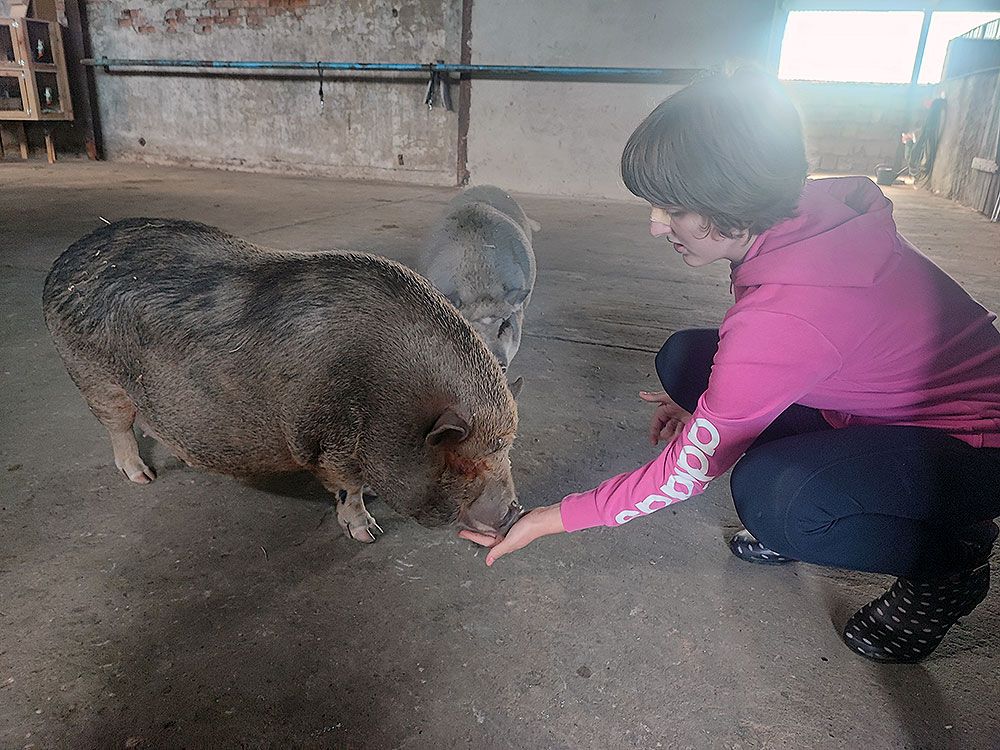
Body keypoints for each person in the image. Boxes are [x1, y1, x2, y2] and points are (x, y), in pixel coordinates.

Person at [459, 67, 1000, 663]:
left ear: (734, 207)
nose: (655, 225)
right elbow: (774, 349)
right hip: (877, 399)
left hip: (969, 444)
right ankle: (840, 480)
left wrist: (552, 519)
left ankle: (951, 564)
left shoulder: (794, 311)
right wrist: (721, 405)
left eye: (672, 210)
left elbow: (685, 473)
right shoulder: (795, 211)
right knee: (689, 359)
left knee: (776, 502)